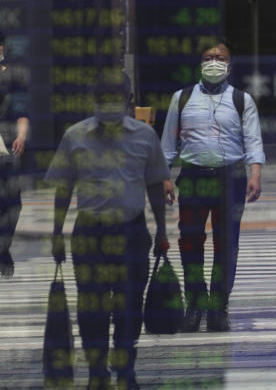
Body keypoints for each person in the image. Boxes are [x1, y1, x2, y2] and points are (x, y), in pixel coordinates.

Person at [46, 69, 174, 390]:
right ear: (94, 100)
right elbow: (63, 188)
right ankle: (96, 372)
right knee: (92, 308)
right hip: (89, 235)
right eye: (103, 98)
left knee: (130, 306)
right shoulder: (74, 136)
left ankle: (125, 370)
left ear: (129, 100)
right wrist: (56, 233)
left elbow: (155, 187)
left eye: (116, 98)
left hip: (132, 233)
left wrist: (161, 231)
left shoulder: (145, 137)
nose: (109, 104)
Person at [160, 40, 264, 332]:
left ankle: (219, 307)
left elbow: (253, 140)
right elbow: (168, 142)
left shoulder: (242, 100)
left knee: (226, 244)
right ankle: (195, 303)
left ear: (229, 66)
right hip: (193, 177)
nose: (214, 62)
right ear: (200, 63)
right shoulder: (181, 98)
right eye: (208, 57)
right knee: (190, 242)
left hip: (230, 178)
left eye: (220, 57)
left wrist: (255, 173)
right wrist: (164, 176)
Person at [0, 33, 29, 278]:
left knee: (12, 203)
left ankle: (4, 248)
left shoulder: (13, 75)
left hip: (5, 146)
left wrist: (21, 137)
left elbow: (22, 112)